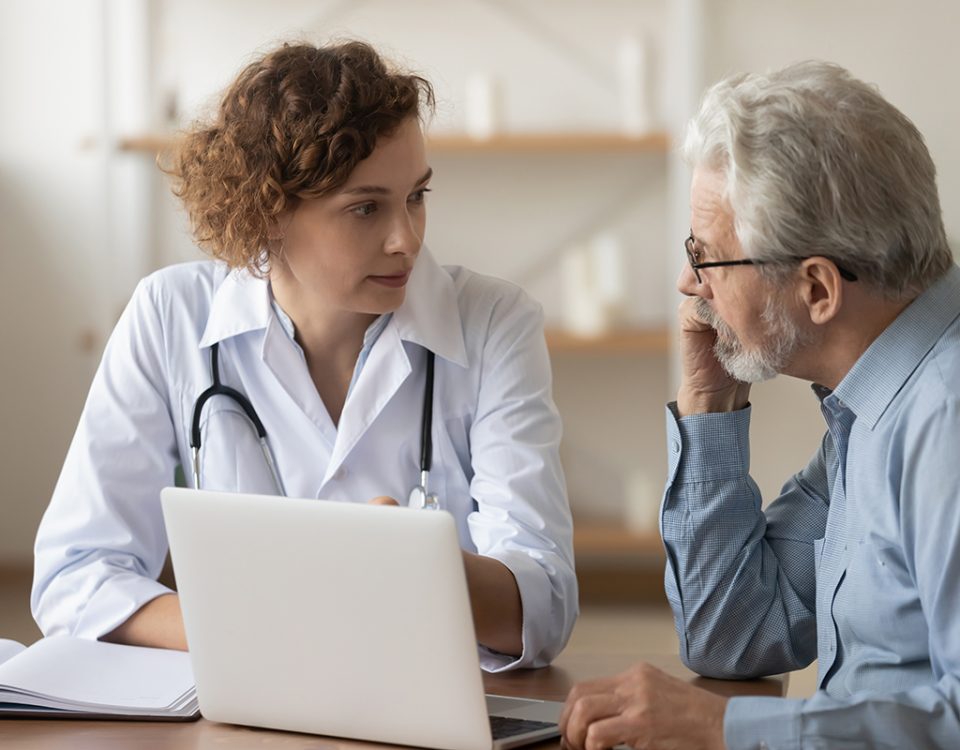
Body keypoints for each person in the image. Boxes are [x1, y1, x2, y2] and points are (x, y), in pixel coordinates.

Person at [31, 40, 577, 672]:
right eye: (366, 208)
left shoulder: (493, 323)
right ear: (267, 213)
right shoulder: (168, 315)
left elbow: (545, 602)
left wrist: (424, 569)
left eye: (417, 197)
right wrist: (259, 632)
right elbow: (76, 575)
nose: (407, 240)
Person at [560, 60, 960, 748]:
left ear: (817, 290)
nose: (689, 283)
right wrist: (709, 405)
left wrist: (721, 727)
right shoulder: (870, 406)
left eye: (708, 256)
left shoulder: (945, 418)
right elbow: (735, 633)